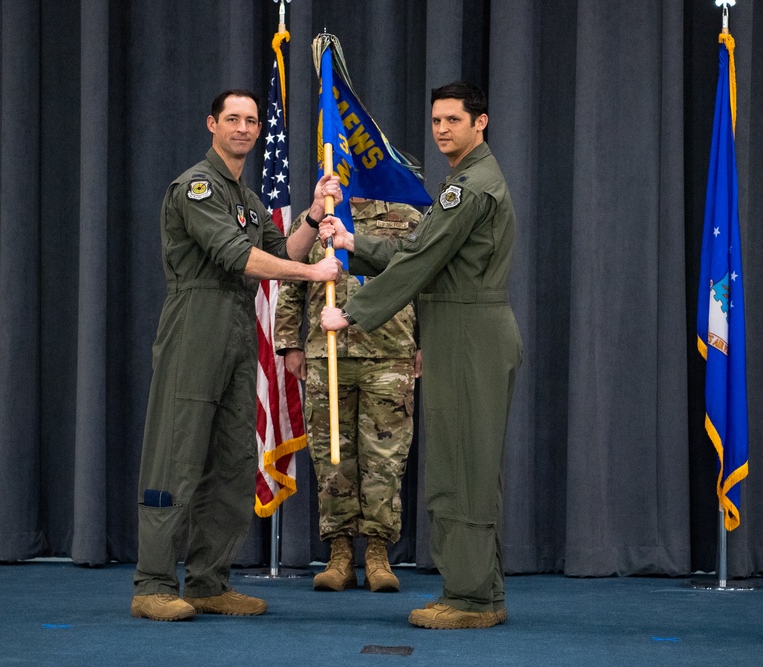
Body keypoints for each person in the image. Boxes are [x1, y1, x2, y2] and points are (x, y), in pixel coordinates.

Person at [131, 89, 343, 622]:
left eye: (252, 120)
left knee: (232, 461)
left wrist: (315, 217)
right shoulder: (197, 188)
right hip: (194, 325)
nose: (245, 128)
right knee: (175, 456)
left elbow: (278, 252)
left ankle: (207, 582)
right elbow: (237, 256)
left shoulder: (247, 200)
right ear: (212, 124)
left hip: (236, 328)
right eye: (233, 119)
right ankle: (153, 583)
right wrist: (314, 274)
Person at [320, 81, 522, 630]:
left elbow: (418, 264)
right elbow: (417, 253)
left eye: (453, 120)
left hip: (470, 333)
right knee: (465, 465)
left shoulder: (470, 188)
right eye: (436, 121)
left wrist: (353, 314)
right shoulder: (464, 182)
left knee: (464, 470)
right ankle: (480, 590)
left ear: (481, 123)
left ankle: (472, 599)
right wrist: (352, 243)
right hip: (461, 329)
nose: (441, 130)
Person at [274, 198, 421, 593]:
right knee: (331, 458)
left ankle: (377, 553)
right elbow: (293, 275)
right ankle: (339, 553)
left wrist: (425, 343)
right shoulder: (321, 211)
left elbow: (422, 277)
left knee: (385, 461)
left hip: (391, 353)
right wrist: (289, 342)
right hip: (327, 352)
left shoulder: (406, 215)